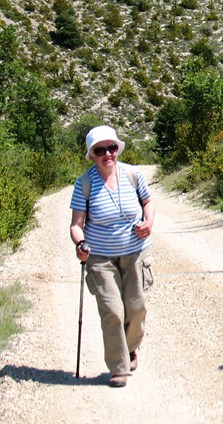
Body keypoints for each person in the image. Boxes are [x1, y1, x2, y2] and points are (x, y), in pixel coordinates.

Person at [69, 125, 155, 387]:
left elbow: (148, 203)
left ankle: (130, 348)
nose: (107, 153)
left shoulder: (133, 174)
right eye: (100, 150)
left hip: (135, 253)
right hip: (101, 258)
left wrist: (148, 222)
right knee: (113, 311)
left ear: (117, 149)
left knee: (137, 307)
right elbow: (76, 224)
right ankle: (118, 367)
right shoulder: (84, 183)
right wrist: (80, 243)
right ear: (92, 154)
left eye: (112, 147)